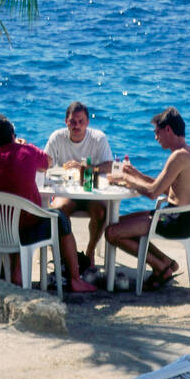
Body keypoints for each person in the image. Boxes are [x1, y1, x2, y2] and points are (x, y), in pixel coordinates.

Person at [0, 113, 98, 294]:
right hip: (28, 225)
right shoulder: (25, 151)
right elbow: (48, 162)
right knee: (60, 219)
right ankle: (75, 279)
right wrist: (23, 145)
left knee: (12, 216)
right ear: (12, 136)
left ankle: (16, 273)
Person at [105, 107, 190, 291]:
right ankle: (166, 262)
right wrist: (136, 175)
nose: (155, 137)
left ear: (168, 129)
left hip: (176, 221)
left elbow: (153, 193)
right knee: (118, 223)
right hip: (181, 216)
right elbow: (165, 189)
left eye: (157, 132)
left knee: (112, 232)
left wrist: (126, 179)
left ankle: (161, 268)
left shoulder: (178, 156)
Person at [46, 101, 113, 272]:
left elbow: (109, 166)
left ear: (87, 122)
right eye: (72, 122)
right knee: (58, 211)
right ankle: (70, 255)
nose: (76, 126)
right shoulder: (57, 137)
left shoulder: (98, 138)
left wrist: (87, 168)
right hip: (66, 192)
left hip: (91, 190)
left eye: (81, 121)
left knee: (101, 213)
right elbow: (45, 164)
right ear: (66, 122)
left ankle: (89, 253)